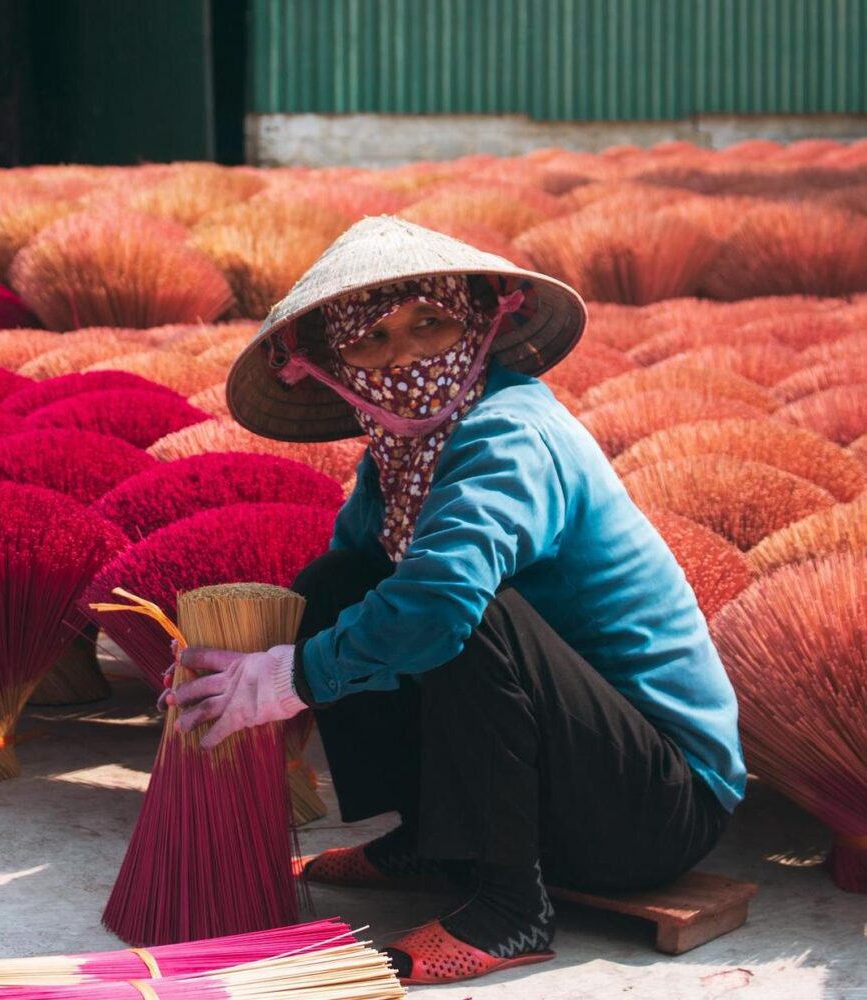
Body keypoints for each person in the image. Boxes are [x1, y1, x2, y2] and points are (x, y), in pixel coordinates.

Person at [164, 216, 746, 987]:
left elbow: (439, 606)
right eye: (372, 341)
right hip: (565, 782)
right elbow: (355, 589)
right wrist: (260, 673)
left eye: (431, 325)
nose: (405, 357)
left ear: (481, 321)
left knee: (461, 611)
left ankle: (510, 911)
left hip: (655, 807)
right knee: (338, 587)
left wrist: (290, 680)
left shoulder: (510, 431)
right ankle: (430, 840)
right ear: (333, 368)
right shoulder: (400, 455)